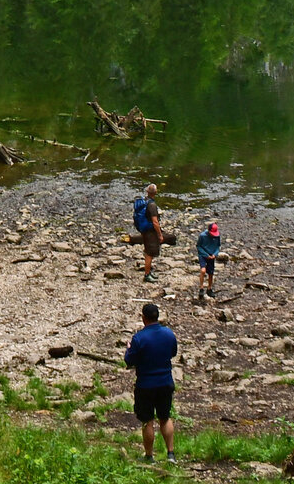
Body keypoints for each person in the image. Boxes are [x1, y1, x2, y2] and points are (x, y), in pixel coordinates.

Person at [125, 300, 177, 464]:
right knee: (165, 417)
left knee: (148, 420)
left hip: (145, 384)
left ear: (144, 318)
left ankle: (149, 456)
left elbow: (129, 360)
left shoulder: (139, 338)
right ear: (157, 317)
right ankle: (170, 454)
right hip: (165, 381)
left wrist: (128, 348)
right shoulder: (169, 334)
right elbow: (173, 352)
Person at [133, 186, 163, 282]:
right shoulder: (152, 205)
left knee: (147, 251)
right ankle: (147, 275)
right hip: (150, 232)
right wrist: (160, 234)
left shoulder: (145, 201)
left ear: (147, 192)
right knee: (150, 253)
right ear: (156, 192)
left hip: (144, 230)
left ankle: (148, 271)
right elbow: (155, 222)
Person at [197, 220, 222, 302]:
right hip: (203, 255)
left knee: (211, 273)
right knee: (203, 270)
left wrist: (215, 254)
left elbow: (218, 246)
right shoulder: (202, 236)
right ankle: (201, 288)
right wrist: (206, 255)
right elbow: (199, 247)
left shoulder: (217, 237)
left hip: (212, 256)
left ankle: (209, 288)